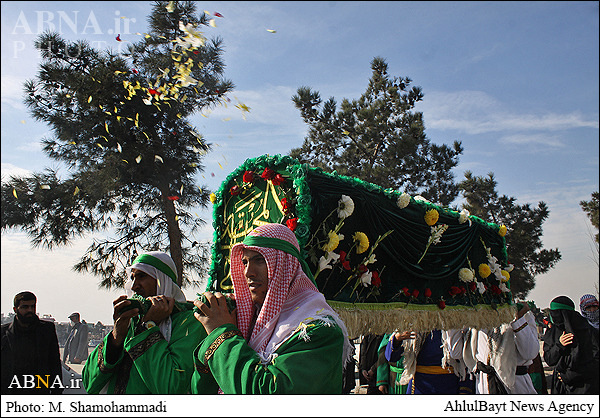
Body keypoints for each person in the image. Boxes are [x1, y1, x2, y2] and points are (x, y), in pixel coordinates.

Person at [190, 223, 353, 394]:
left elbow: (271, 393)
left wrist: (222, 335)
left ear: (284, 265)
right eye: (244, 262)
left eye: (259, 260)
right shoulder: (247, 321)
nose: (247, 272)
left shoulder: (318, 329)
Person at [82, 251, 207, 394]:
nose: (134, 286)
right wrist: (116, 338)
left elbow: (171, 388)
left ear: (162, 280)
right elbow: (89, 383)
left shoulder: (190, 322)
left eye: (142, 276)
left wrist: (148, 327)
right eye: (132, 278)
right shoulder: (130, 322)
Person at [460, 303, 542, 394]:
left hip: (515, 386)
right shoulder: (475, 318)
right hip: (484, 386)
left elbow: (530, 353)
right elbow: (455, 353)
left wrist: (518, 319)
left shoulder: (524, 314)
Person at [1, 291, 63, 394]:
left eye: (32, 307)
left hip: (38, 390)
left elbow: (54, 363)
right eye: (25, 307)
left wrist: (57, 391)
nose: (30, 310)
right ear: (15, 309)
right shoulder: (4, 333)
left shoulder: (46, 330)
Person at [543, 295, 599, 394]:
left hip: (586, 386)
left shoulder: (587, 330)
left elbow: (595, 360)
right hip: (561, 387)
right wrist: (559, 345)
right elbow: (549, 359)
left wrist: (569, 375)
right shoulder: (553, 332)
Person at [385, 329, 466, 394]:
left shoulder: (454, 321)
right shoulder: (412, 324)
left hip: (449, 385)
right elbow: (391, 357)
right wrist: (397, 339)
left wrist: (465, 389)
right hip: (419, 386)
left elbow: (467, 360)